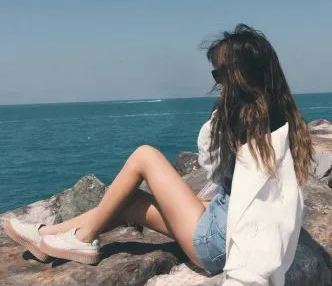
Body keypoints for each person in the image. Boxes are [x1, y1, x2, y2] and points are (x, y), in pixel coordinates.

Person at [4, 24, 312, 285]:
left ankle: (82, 240)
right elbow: (240, 187)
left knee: (145, 156)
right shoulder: (277, 118)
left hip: (217, 243)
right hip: (223, 222)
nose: (217, 83)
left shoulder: (248, 123)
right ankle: (46, 237)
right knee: (129, 201)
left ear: (240, 76)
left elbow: (212, 165)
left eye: (220, 75)